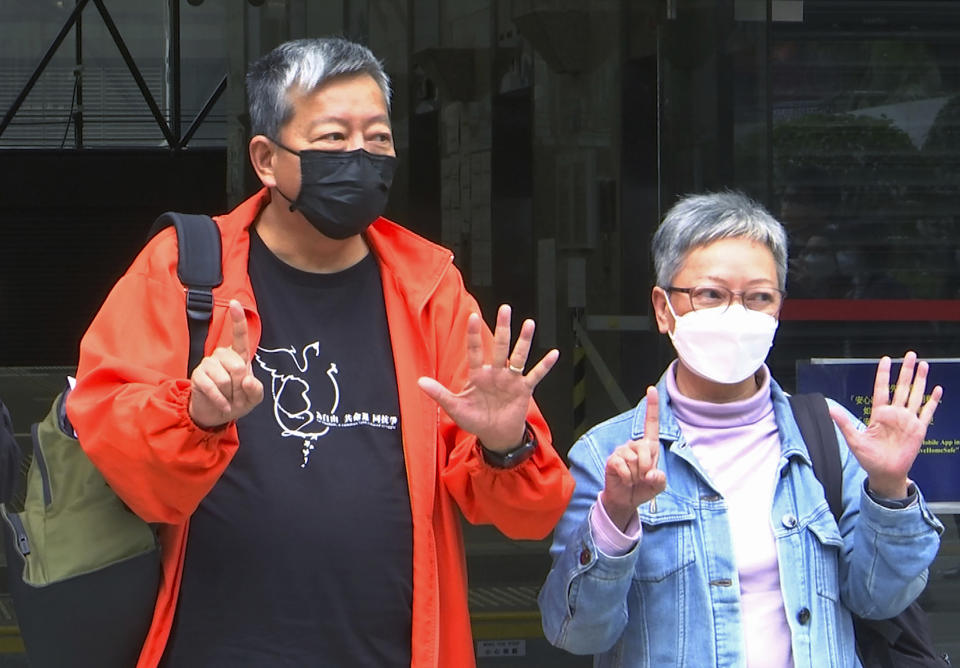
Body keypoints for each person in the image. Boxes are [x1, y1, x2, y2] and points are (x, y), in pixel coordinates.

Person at [66, 37, 574, 668]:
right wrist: (193, 415)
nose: (360, 156)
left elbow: (529, 517)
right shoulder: (185, 270)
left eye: (378, 138)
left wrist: (505, 445)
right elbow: (120, 453)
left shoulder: (430, 289)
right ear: (266, 158)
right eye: (334, 137)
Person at [538, 191, 944, 667]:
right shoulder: (606, 453)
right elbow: (576, 632)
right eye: (711, 294)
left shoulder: (831, 436)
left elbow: (881, 601)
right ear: (664, 308)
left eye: (758, 297)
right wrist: (615, 517)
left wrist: (890, 489)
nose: (737, 314)